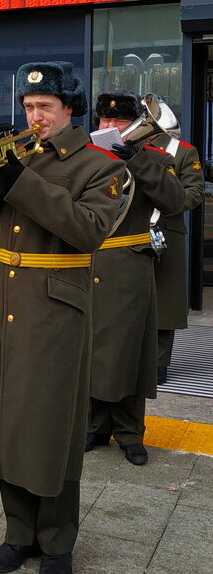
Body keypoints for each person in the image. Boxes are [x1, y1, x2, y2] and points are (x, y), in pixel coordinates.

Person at [0, 62, 126, 574]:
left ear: (69, 109)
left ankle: (56, 542)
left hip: (55, 310)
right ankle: (17, 533)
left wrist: (19, 179)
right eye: (28, 107)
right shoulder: (18, 154)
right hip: (0, 299)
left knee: (49, 427)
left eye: (44, 107)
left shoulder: (101, 167)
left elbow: (88, 229)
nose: (35, 116)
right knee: (5, 420)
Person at [87, 90, 184, 467]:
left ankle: (129, 433)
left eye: (119, 122)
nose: (110, 128)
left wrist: (139, 161)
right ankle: (93, 426)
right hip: (90, 261)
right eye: (104, 122)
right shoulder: (85, 158)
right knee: (91, 351)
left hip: (129, 266)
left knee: (130, 352)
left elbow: (174, 202)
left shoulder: (155, 157)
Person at [149, 124, 204, 384]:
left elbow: (194, 193)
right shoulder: (123, 149)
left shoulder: (182, 152)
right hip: (126, 231)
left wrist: (167, 199)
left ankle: (157, 366)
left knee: (164, 302)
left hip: (165, 231)